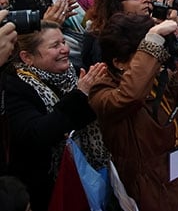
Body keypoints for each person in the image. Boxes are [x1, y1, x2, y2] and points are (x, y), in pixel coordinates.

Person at [89, 14, 178, 211]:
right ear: (119, 63)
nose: (155, 57)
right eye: (145, 53)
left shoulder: (158, 79)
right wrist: (152, 39)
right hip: (150, 190)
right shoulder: (102, 92)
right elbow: (130, 96)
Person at [3, 21, 109, 211]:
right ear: (27, 57)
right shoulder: (17, 87)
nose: (65, 49)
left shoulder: (74, 72)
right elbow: (35, 134)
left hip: (87, 176)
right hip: (48, 188)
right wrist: (80, 95)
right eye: (55, 46)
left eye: (63, 42)